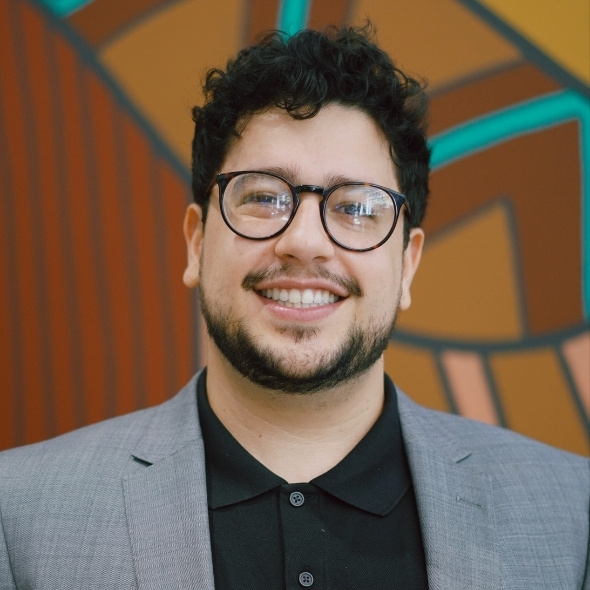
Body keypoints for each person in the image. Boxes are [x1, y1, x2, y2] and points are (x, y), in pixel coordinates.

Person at [0, 24, 588, 590]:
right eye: (262, 196)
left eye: (356, 208)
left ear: (407, 264)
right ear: (196, 242)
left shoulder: (572, 516)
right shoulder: (21, 513)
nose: (305, 241)